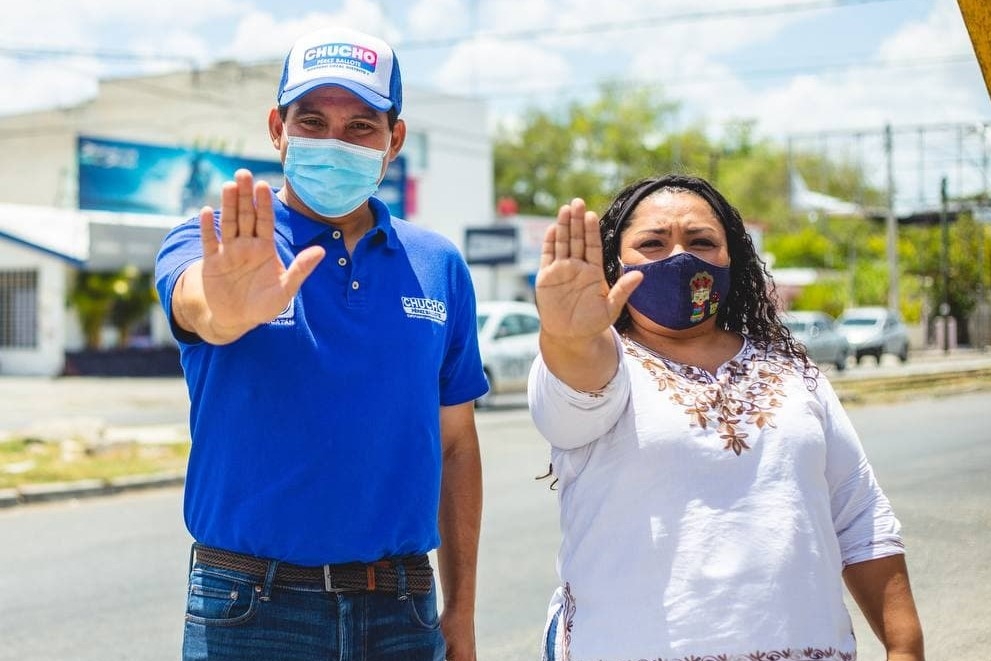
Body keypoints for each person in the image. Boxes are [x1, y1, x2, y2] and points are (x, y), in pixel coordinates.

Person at [155, 26, 487, 661]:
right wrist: (227, 308)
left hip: (401, 607)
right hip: (250, 607)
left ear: (395, 140)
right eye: (313, 120)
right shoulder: (217, 242)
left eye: (361, 126)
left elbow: (455, 445)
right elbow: (202, 307)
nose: (336, 142)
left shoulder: (438, 264)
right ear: (278, 129)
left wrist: (462, 610)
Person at [527, 174, 925, 661]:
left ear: (731, 257)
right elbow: (576, 391)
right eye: (653, 242)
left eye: (701, 241)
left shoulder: (789, 369)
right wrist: (568, 339)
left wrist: (904, 646)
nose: (679, 257)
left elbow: (858, 514)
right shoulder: (602, 362)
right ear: (615, 262)